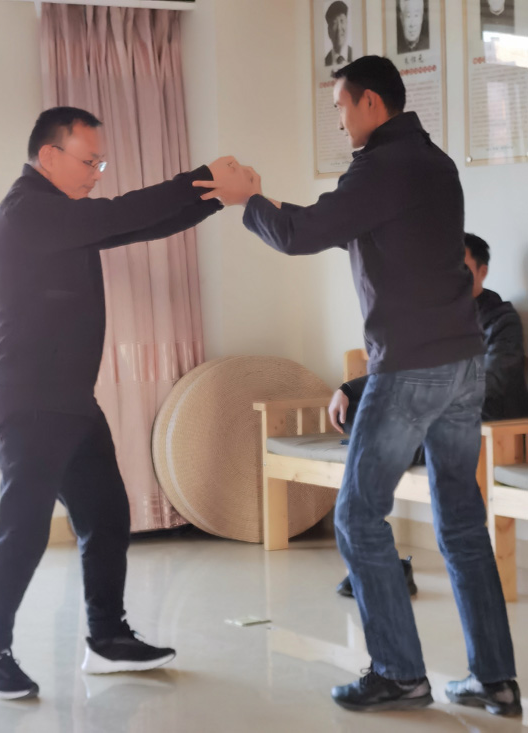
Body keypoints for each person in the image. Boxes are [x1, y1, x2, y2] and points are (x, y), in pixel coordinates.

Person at [194, 56, 521, 717]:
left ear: (371, 102)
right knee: (462, 520)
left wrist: (243, 201)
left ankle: (399, 672)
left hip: (411, 368)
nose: (339, 119)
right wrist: (265, 202)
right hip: (463, 364)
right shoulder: (433, 163)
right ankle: (495, 679)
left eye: (341, 105)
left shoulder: (382, 165)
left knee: (356, 514)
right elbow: (332, 223)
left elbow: (302, 234)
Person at [0, 106, 235, 700]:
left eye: (101, 162)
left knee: (107, 516)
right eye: (89, 161)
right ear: (49, 156)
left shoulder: (61, 215)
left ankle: (108, 638)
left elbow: (134, 226)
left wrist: (216, 198)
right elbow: (121, 213)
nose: (97, 173)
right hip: (31, 399)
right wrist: (202, 177)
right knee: (23, 531)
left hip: (70, 399)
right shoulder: (29, 211)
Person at [335, 232, 528, 597]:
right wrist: (348, 389)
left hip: (485, 422)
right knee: (358, 414)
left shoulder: (500, 319)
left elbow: (498, 381)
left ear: (482, 272)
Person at [325, 1, 353, 67]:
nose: (339, 28)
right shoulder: (325, 62)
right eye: (334, 23)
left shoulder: (356, 55)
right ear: (329, 31)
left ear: (347, 24)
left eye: (342, 21)